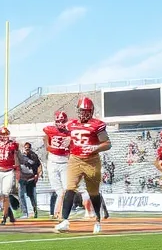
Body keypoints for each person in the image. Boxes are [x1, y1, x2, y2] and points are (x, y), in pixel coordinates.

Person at [55, 96, 111, 234]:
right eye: (81, 110)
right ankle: (64, 221)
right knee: (70, 188)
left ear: (91, 111)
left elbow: (107, 144)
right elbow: (68, 135)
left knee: (93, 192)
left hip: (91, 160)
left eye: (86, 111)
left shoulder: (97, 125)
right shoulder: (71, 124)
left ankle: (97, 219)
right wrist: (68, 140)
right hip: (75, 159)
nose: (83, 113)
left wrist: (95, 148)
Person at [42, 110, 72, 218]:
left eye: (63, 121)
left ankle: (58, 213)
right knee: (59, 191)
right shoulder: (49, 129)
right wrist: (48, 145)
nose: (61, 123)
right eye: (59, 121)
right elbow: (45, 137)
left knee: (65, 189)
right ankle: (58, 213)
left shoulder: (70, 132)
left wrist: (70, 138)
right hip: (52, 161)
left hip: (64, 161)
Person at [18, 142, 41, 219]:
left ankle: (35, 211)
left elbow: (38, 165)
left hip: (31, 178)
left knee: (31, 195)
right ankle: (25, 212)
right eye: (25, 148)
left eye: (28, 148)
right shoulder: (20, 156)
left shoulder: (33, 155)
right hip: (22, 178)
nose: (26, 150)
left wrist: (36, 175)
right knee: (21, 195)